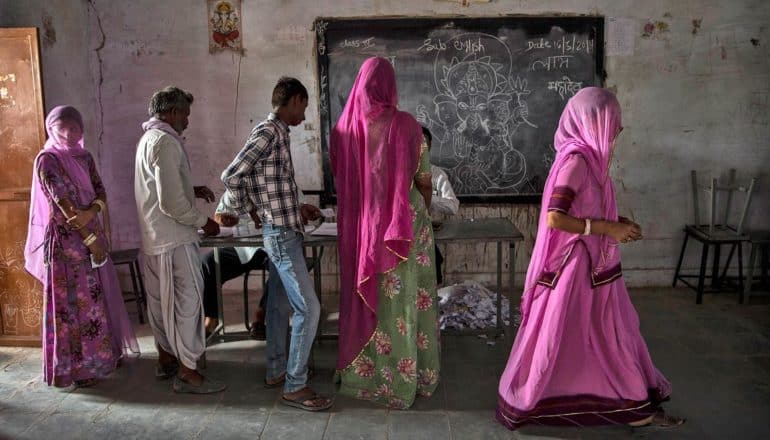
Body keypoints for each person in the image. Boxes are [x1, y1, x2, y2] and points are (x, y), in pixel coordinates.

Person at [496, 87, 683, 429]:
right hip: (575, 269)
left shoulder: (590, 162)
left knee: (603, 333)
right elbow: (556, 217)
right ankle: (612, 401)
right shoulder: (576, 162)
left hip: (594, 268)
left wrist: (615, 224)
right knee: (573, 337)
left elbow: (587, 209)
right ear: (591, 122)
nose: (618, 132)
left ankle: (627, 400)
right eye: (613, 124)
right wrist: (605, 229)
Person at [331, 57, 440, 409]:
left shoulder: (343, 130)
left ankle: (363, 376)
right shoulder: (408, 127)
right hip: (403, 226)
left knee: (371, 297)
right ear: (390, 85)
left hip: (362, 227)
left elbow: (344, 185)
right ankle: (409, 379)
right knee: (406, 300)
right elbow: (424, 181)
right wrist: (418, 206)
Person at [221, 77, 332, 411]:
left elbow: (266, 183)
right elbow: (232, 175)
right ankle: (295, 385)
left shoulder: (279, 134)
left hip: (285, 227)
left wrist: (294, 208)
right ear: (295, 100)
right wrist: (249, 208)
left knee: (279, 305)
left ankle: (276, 370)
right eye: (305, 106)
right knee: (309, 309)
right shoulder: (268, 132)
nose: (305, 114)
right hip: (281, 235)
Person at [24, 105, 139, 388]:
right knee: (73, 305)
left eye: (74, 127)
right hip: (66, 243)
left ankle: (102, 358)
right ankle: (76, 369)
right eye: (62, 127)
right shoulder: (47, 160)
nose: (69, 132)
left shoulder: (85, 157)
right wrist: (87, 232)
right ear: (51, 129)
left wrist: (92, 216)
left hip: (91, 234)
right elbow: (62, 202)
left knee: (97, 298)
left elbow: (100, 191)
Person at [134, 86, 225, 394]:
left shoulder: (148, 139)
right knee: (189, 304)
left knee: (161, 304)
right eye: (185, 114)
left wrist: (191, 189)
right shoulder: (166, 142)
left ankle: (167, 359)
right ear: (171, 113)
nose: (187, 120)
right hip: (175, 239)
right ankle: (188, 371)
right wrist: (204, 222)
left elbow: (159, 187)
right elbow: (171, 203)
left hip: (154, 237)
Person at [201, 192, 269, 339]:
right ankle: (212, 317)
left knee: (282, 269)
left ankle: (261, 316)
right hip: (242, 247)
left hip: (270, 247)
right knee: (208, 263)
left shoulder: (277, 181)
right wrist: (222, 220)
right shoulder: (235, 188)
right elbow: (218, 217)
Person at [421, 126, 459, 285]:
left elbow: (453, 206)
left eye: (424, 143)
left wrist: (428, 197)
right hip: (403, 239)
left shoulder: (436, 174)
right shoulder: (396, 173)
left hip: (426, 238)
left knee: (430, 277)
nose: (420, 148)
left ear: (430, 147)